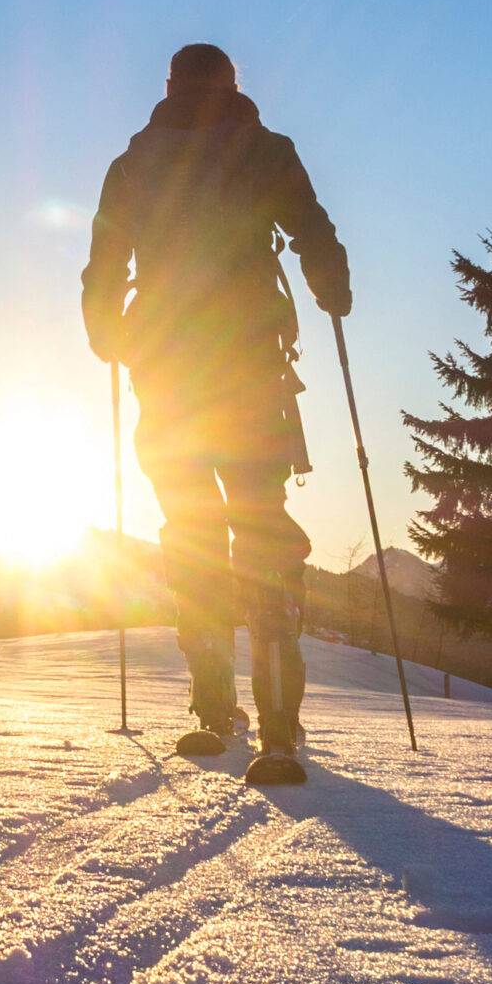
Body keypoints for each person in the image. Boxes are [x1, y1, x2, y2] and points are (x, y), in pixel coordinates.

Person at [81, 43, 349, 784]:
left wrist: (108, 330)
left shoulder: (134, 163)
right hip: (251, 369)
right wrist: (331, 284)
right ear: (234, 87)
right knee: (260, 531)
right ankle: (276, 727)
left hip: (168, 371)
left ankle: (214, 711)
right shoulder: (264, 150)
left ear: (168, 87)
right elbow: (310, 228)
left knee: (192, 534)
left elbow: (105, 260)